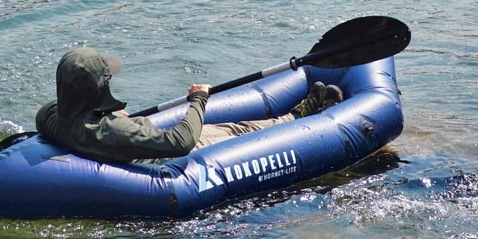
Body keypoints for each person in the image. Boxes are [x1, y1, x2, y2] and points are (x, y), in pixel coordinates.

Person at [35, 47, 342, 164]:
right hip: (165, 157)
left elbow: (51, 112)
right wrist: (199, 98)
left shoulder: (52, 117)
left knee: (233, 126)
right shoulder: (109, 130)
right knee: (242, 132)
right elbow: (181, 142)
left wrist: (108, 111)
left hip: (140, 140)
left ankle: (295, 113)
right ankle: (301, 116)